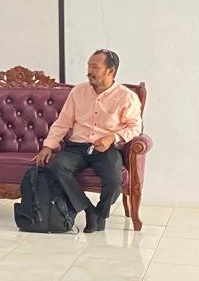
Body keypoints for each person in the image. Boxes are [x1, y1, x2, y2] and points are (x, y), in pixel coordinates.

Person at [33, 49, 143, 233]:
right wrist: (48, 146)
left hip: (105, 148)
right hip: (76, 147)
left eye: (95, 67)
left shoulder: (126, 96)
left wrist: (113, 137)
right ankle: (88, 210)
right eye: (89, 66)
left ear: (110, 71)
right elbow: (63, 122)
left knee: (114, 181)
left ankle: (101, 214)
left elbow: (135, 127)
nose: (89, 71)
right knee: (57, 167)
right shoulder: (78, 91)